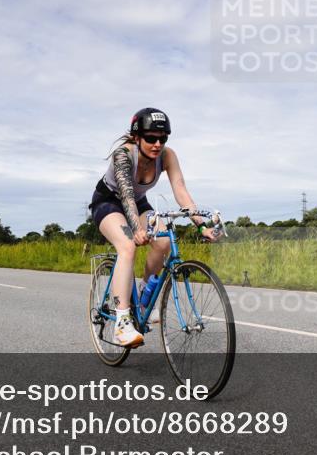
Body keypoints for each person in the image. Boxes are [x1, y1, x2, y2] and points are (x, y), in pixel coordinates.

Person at [89, 108, 221, 347]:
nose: (158, 143)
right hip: (109, 202)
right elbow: (126, 195)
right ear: (136, 137)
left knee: (163, 241)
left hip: (138, 204)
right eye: (151, 138)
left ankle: (143, 300)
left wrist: (201, 226)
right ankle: (121, 322)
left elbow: (180, 189)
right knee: (128, 246)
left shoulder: (168, 156)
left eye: (163, 138)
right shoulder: (123, 155)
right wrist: (136, 229)